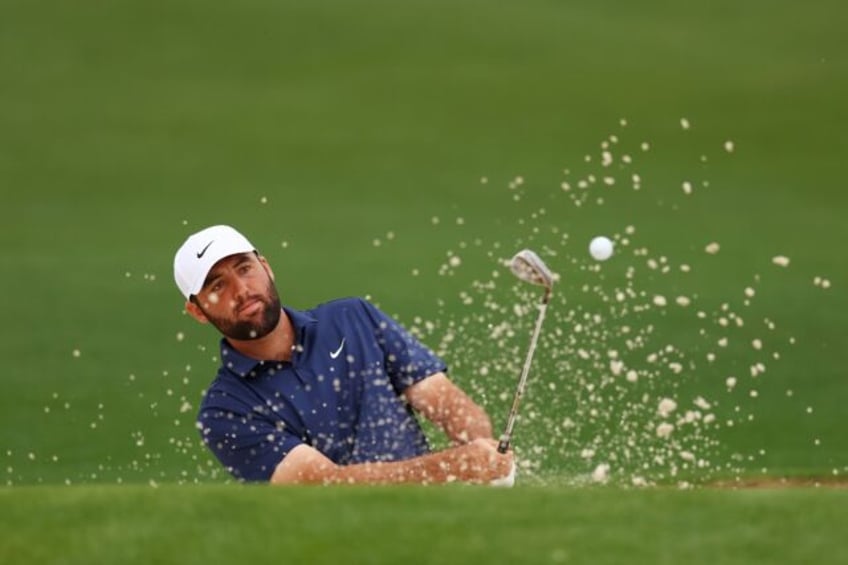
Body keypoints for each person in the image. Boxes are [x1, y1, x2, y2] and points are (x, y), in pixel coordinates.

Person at [173, 225, 514, 485]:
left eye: (245, 268)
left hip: (433, 518)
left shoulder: (352, 318)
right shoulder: (226, 411)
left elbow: (446, 403)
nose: (242, 290)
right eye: (218, 286)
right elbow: (327, 484)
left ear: (266, 266)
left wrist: (481, 451)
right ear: (198, 311)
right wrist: (451, 466)